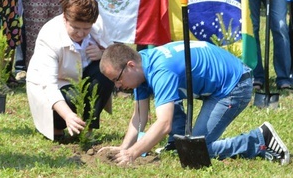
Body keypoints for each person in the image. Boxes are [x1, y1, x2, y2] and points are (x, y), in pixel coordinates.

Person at [100, 42, 290, 164]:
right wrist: (124, 148)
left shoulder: (161, 71)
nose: (118, 86)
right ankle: (178, 142)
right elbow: (139, 117)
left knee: (196, 152)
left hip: (234, 86)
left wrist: (132, 154)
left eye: (117, 79)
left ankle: (258, 140)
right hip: (215, 84)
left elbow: (164, 124)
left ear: (130, 66)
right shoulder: (143, 67)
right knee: (169, 105)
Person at [27, 0, 113, 140]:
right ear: (65, 19)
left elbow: (114, 54)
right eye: (75, 28)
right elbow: (49, 86)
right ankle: (57, 127)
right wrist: (68, 115)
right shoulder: (49, 37)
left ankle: (88, 128)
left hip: (82, 78)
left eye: (86, 29)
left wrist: (102, 54)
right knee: (72, 98)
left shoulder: (97, 23)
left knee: (105, 72)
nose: (81, 33)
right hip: (57, 85)